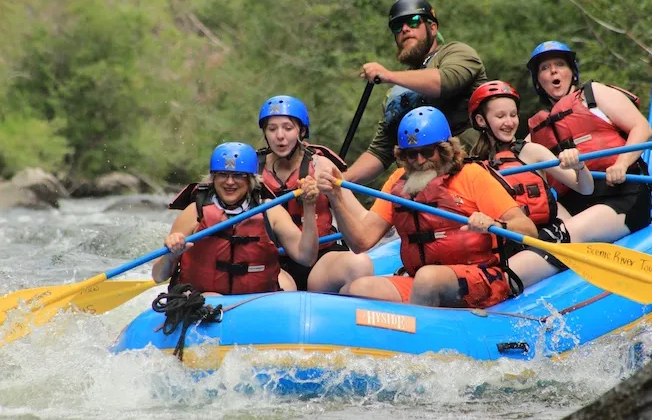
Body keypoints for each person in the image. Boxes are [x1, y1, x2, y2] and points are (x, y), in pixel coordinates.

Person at [316, 106, 538, 307]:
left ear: (445, 150)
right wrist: (336, 199)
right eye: (411, 154)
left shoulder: (472, 175)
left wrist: (494, 224)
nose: (419, 161)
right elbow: (361, 242)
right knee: (356, 289)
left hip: (478, 278)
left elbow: (527, 229)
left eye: (427, 152)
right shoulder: (398, 182)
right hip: (419, 280)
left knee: (427, 279)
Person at [501, 41, 652, 291]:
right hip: (576, 205)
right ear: (538, 81)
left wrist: (622, 163)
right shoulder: (534, 136)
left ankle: (504, 284)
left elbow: (642, 128)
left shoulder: (595, 95)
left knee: (557, 238)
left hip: (621, 194)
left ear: (572, 72)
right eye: (545, 68)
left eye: (560, 65)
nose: (553, 72)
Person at [345, 0, 488, 184]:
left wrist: (388, 75)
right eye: (397, 27)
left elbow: (444, 82)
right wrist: (341, 181)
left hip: (470, 175)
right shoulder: (395, 93)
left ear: (433, 27)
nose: (404, 29)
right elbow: (380, 151)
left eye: (413, 22)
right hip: (420, 187)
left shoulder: (457, 53)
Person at [152, 142, 320, 294]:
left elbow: (306, 258)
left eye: (238, 175)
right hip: (205, 301)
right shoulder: (195, 212)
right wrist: (171, 255)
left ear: (251, 180)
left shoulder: (270, 210)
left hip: (254, 301)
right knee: (212, 299)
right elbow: (158, 276)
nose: (230, 182)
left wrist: (309, 206)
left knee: (289, 286)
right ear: (213, 178)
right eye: (223, 174)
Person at [256, 95, 373, 292]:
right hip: (273, 262)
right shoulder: (252, 173)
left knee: (360, 263)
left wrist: (388, 219)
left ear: (301, 130)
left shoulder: (321, 166)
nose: (280, 136)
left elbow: (361, 216)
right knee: (282, 289)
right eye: (272, 129)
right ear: (265, 133)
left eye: (287, 127)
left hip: (321, 259)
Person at [467, 80, 594, 240]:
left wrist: (579, 167)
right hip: (510, 241)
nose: (509, 122)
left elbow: (586, 189)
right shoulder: (476, 165)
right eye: (500, 116)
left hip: (547, 235)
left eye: (513, 115)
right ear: (481, 120)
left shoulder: (532, 152)